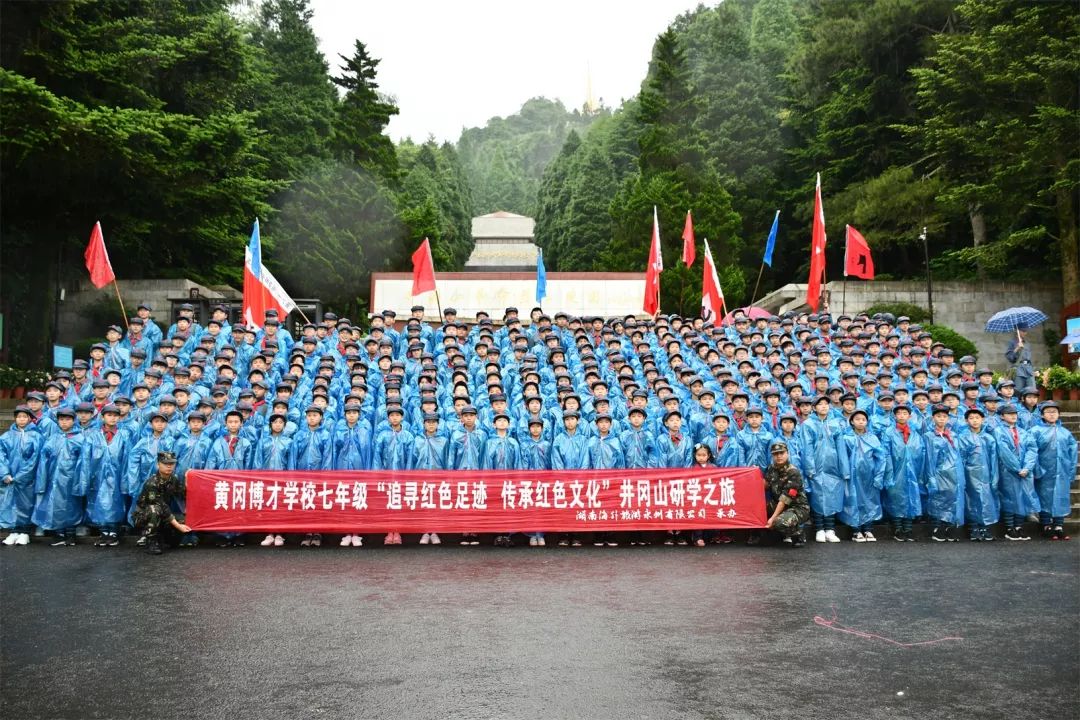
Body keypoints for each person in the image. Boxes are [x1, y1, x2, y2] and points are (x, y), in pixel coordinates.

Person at [32, 408, 88, 546]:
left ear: (73, 420)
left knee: (72, 505)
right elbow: (44, 459)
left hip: (71, 479)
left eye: (67, 419)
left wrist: (80, 480)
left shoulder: (80, 439)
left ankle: (70, 534)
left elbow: (84, 462)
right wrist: (42, 480)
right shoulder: (53, 438)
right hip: (54, 479)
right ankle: (60, 534)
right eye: (61, 419)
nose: (64, 422)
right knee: (55, 505)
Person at [131, 451, 193, 555]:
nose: (169, 466)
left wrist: (188, 479)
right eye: (165, 464)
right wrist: (178, 526)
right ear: (158, 464)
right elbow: (161, 506)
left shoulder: (173, 479)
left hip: (162, 514)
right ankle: (150, 540)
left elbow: (183, 494)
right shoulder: (152, 483)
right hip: (143, 517)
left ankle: (163, 537)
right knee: (155, 509)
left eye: (171, 464)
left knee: (182, 521)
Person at [838, 409, 886, 542]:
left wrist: (878, 476)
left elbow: (881, 458)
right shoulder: (847, 438)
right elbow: (842, 457)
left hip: (868, 476)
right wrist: (845, 473)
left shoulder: (872, 438)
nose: (860, 421)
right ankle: (856, 530)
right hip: (852, 476)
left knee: (870, 502)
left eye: (863, 419)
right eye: (857, 419)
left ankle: (868, 529)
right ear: (852, 421)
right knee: (853, 501)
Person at [1030, 402, 1076, 540]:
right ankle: (1046, 525)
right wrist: (1037, 470)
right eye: (1048, 411)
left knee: (1061, 497)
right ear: (1042, 414)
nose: (1052, 414)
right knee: (1045, 498)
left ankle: (1059, 526)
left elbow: (1072, 453)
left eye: (1054, 411)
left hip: (1062, 471)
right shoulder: (1035, 431)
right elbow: (1032, 452)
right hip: (1045, 471)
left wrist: (1071, 471)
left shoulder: (1065, 432)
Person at [1, 406, 45, 546]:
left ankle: (25, 532)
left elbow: (35, 459)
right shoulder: (6, 436)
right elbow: (1, 457)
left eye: (24, 416)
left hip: (28, 479)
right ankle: (14, 531)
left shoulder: (37, 436)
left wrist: (21, 476)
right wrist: (5, 474)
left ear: (30, 419)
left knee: (26, 504)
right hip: (9, 478)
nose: (21, 419)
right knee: (10, 504)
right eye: (19, 416)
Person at [994, 403, 1039, 541]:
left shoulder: (1024, 432)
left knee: (1023, 498)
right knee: (1009, 498)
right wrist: (1017, 468)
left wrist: (1027, 467)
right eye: (1009, 414)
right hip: (1007, 470)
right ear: (1002, 416)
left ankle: (1019, 526)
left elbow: (1032, 449)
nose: (1013, 416)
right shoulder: (998, 431)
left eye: (1015, 414)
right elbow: (1004, 451)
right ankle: (1009, 528)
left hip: (1025, 471)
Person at [958, 406, 999, 541]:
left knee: (986, 501)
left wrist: (994, 476)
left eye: (977, 418)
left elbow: (993, 459)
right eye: (971, 418)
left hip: (986, 474)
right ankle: (973, 528)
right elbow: (961, 458)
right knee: (972, 501)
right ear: (966, 420)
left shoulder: (989, 438)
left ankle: (984, 527)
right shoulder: (963, 438)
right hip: (969, 474)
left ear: (983, 419)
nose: (975, 421)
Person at [925, 403, 965, 542]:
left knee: (952, 500)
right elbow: (929, 458)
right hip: (939, 473)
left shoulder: (953, 435)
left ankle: (949, 527)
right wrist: (931, 476)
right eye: (938, 416)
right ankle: (937, 528)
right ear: (933, 418)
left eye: (944, 416)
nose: (941, 419)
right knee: (939, 500)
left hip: (954, 473)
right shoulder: (929, 436)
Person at [412, 412, 449, 546]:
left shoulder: (443, 441)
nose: (431, 424)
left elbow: (447, 460)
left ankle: (434, 531)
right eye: (428, 422)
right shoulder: (417, 440)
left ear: (438, 424)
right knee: (424, 504)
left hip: (438, 476)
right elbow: (413, 459)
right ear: (424, 424)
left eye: (433, 422)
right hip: (421, 476)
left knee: (436, 504)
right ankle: (424, 531)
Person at [763, 441, 809, 547]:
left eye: (781, 453)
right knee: (757, 510)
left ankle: (798, 534)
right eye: (775, 454)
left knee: (779, 522)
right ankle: (759, 536)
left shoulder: (793, 473)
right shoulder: (771, 468)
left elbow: (785, 499)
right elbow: (765, 485)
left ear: (787, 453)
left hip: (797, 508)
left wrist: (773, 518)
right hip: (779, 505)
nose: (779, 456)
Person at [1004, 329, 1035, 394]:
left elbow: (1029, 359)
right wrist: (1017, 348)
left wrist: (1033, 370)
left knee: (1032, 390)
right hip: (1018, 369)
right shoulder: (1012, 342)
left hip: (1029, 369)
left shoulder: (1027, 343)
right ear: (1018, 331)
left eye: (1026, 331)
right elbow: (1010, 357)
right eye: (1023, 331)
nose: (1025, 333)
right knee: (1018, 391)